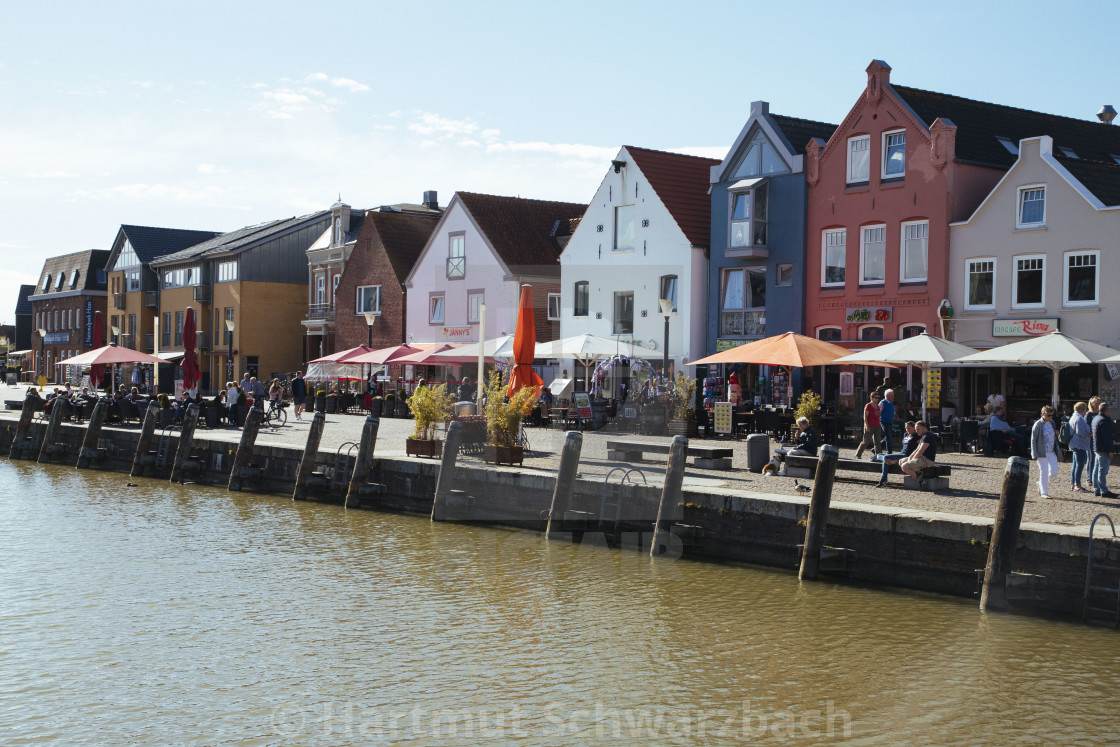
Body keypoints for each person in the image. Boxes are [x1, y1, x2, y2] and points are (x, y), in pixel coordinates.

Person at [1031, 405, 1060, 500]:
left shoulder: (1052, 422)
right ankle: (1044, 492)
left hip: (1051, 451)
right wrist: (1034, 453)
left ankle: (1041, 483)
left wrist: (1056, 433)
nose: (1050, 417)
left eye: (1052, 415)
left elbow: (1054, 436)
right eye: (1048, 415)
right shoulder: (1038, 424)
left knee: (1055, 471)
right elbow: (1033, 439)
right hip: (1041, 452)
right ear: (1043, 414)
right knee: (1044, 471)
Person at [877, 421, 918, 488]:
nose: (907, 430)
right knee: (879, 455)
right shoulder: (906, 434)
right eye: (906, 428)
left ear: (914, 428)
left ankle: (884, 479)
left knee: (885, 457)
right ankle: (891, 461)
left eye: (909, 428)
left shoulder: (916, 436)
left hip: (907, 456)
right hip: (901, 454)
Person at [899, 420, 938, 490]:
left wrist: (910, 460)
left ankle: (920, 479)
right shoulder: (923, 436)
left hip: (927, 460)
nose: (916, 431)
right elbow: (916, 449)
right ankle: (917, 472)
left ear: (923, 427)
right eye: (916, 429)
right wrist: (909, 458)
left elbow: (920, 451)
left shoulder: (928, 436)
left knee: (904, 466)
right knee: (901, 461)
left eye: (918, 429)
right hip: (921, 458)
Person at [1092, 402, 1116, 498]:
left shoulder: (1096, 418)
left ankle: (1096, 489)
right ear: (1106, 410)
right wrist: (1110, 450)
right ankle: (1104, 491)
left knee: (1096, 469)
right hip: (1103, 448)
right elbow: (1107, 438)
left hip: (1097, 447)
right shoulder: (1104, 420)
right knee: (1102, 470)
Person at [1069, 401, 1092, 493]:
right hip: (1079, 445)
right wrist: (1089, 434)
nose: (1086, 411)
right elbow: (1081, 432)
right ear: (1082, 409)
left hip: (1074, 444)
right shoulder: (1079, 419)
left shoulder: (1073, 417)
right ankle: (1077, 485)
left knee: (1075, 465)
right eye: (1085, 409)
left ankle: (1073, 483)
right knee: (1079, 465)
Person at [854, 391, 883, 460]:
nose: (877, 399)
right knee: (866, 441)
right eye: (875, 397)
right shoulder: (868, 405)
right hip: (870, 425)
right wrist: (867, 426)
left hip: (877, 425)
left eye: (878, 397)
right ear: (871, 398)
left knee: (877, 442)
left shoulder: (878, 406)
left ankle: (878, 455)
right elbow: (865, 417)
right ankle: (858, 454)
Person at [879, 389, 896, 453]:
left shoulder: (891, 403)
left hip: (890, 421)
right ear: (887, 396)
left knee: (888, 436)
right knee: (889, 436)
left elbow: (893, 411)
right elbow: (878, 412)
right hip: (883, 421)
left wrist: (895, 416)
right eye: (891, 395)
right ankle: (889, 452)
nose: (893, 397)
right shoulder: (882, 402)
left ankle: (876, 447)